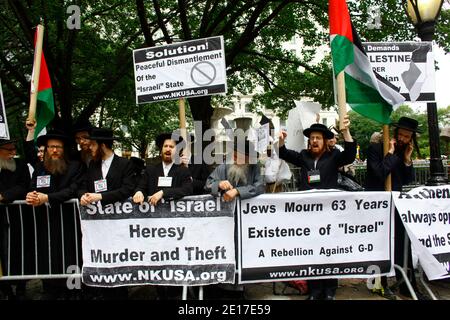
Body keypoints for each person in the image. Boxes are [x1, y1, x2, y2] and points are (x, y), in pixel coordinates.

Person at [278, 116, 356, 300]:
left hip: (329, 215)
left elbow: (350, 155)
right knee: (312, 251)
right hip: (308, 216)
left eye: (317, 138)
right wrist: (280, 142)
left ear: (324, 140)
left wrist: (346, 132)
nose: (314, 141)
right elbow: (284, 153)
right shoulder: (303, 156)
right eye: (311, 138)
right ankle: (314, 290)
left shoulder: (334, 156)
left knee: (329, 251)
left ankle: (329, 290)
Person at [365, 116, 423, 300]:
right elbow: (381, 173)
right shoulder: (375, 148)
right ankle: (378, 284)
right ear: (395, 132)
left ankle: (407, 284)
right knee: (379, 243)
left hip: (396, 203)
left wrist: (406, 160)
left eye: (407, 137)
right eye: (401, 135)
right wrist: (390, 154)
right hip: (378, 203)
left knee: (402, 243)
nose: (403, 139)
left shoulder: (403, 150)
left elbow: (407, 180)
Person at [0, 138, 31, 299]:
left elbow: (25, 185)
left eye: (14, 149)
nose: (13, 153)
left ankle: (21, 287)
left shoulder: (21, 165)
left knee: (19, 253)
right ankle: (6, 290)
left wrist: (4, 196)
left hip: (17, 219)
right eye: (9, 150)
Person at [133, 132, 193, 206]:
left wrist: (163, 192)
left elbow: (187, 189)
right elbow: (140, 187)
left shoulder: (183, 170)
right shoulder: (151, 170)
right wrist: (139, 192)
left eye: (171, 147)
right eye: (165, 146)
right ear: (161, 150)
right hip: (152, 214)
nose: (168, 149)